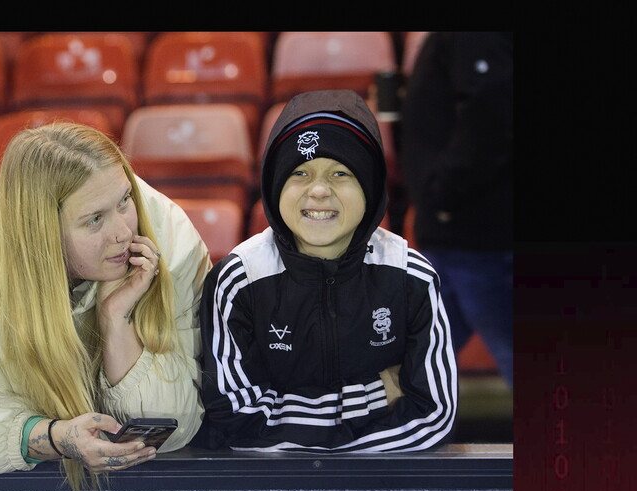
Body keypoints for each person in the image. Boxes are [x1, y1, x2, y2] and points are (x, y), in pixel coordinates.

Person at [0, 123, 210, 491]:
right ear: (42, 231)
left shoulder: (167, 236)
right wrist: (55, 437)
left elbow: (172, 428)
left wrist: (116, 320)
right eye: (94, 220)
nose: (123, 231)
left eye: (124, 202)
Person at [194, 90, 457, 452]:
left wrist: (286, 418)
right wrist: (377, 394)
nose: (318, 190)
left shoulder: (412, 276)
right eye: (300, 172)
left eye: (340, 172)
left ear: (370, 187)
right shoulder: (238, 280)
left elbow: (433, 415)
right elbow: (234, 420)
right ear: (274, 185)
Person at [400, 32, 513, 388]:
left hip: (475, 231)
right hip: (455, 232)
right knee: (412, 358)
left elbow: (490, 108)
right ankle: (380, 431)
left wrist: (444, 191)